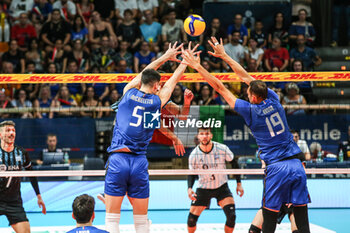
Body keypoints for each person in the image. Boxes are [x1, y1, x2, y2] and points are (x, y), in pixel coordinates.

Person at [181, 37, 311, 233]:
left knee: (269, 217)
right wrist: (225, 55)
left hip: (276, 167)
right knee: (301, 218)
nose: (246, 93)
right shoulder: (274, 99)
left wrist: (198, 67)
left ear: (253, 97)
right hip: (296, 165)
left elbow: (219, 87)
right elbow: (245, 76)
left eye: (249, 93)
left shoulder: (251, 111)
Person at [104, 42, 193, 233]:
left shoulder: (128, 92)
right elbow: (173, 82)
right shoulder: (156, 101)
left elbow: (146, 73)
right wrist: (185, 62)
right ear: (156, 85)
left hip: (118, 158)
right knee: (142, 221)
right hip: (138, 162)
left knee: (112, 220)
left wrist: (165, 56)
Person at [187, 127, 244, 233]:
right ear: (198, 136)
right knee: (191, 220)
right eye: (202, 134)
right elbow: (191, 174)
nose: (204, 136)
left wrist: (239, 183)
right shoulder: (194, 155)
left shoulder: (222, 148)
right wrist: (189, 188)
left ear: (211, 135)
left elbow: (234, 163)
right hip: (203, 189)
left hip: (221, 187)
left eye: (207, 133)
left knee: (232, 217)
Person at [0, 120, 46, 232]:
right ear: (0, 134)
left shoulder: (21, 153)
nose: (11, 133)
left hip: (14, 202)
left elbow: (31, 174)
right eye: (8, 130)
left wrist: (39, 196)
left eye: (13, 130)